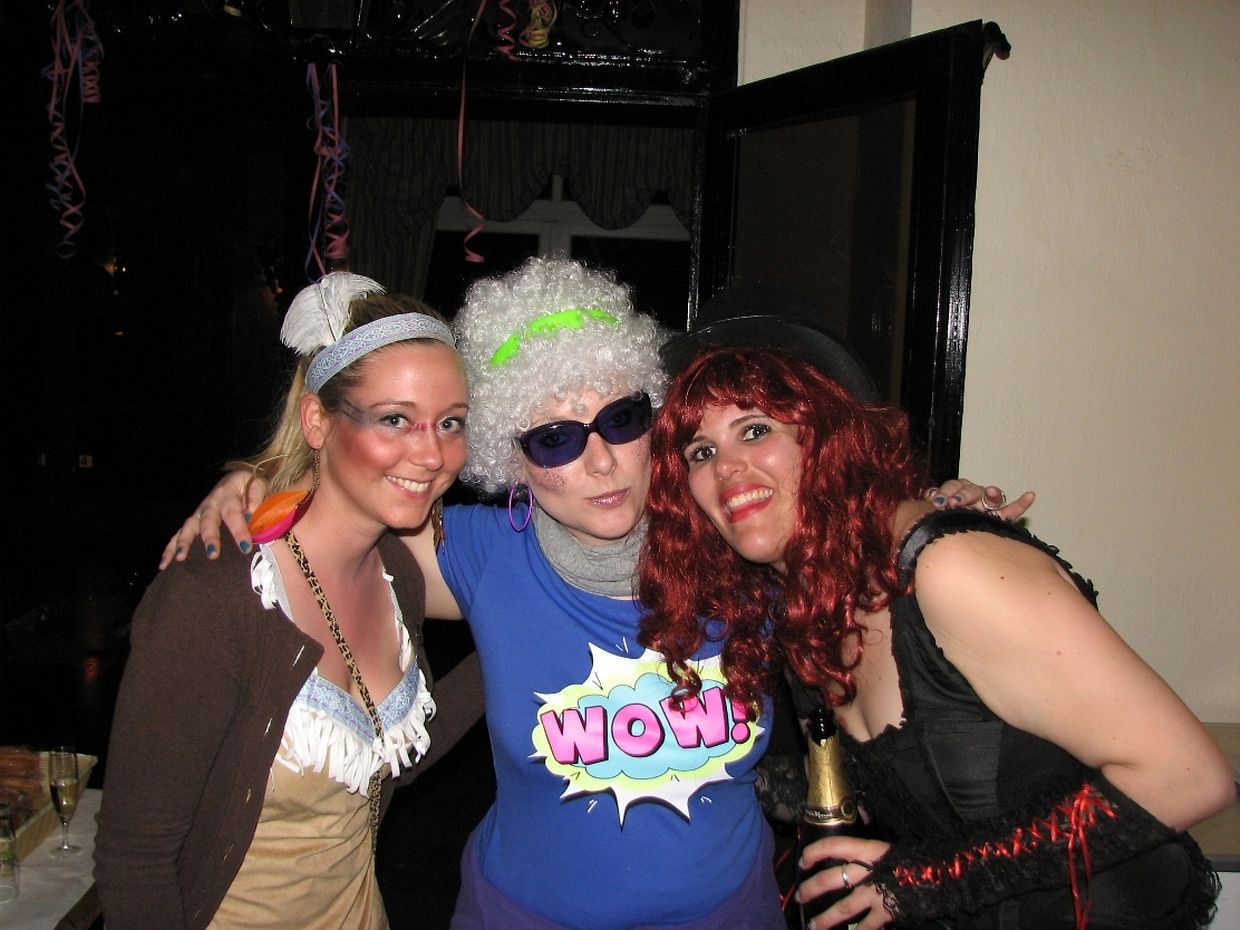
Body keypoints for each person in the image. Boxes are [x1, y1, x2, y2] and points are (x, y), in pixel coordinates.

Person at [164, 258, 1029, 929]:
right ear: (510, 458)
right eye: (554, 438)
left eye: (621, 418)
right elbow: (339, 516)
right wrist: (257, 486)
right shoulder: (479, 554)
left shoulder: (740, 545)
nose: (602, 460)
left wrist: (936, 507)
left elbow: (860, 524)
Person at [638, 336, 1235, 930]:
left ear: (823, 438)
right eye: (700, 451)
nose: (725, 468)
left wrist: (923, 882)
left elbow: (1189, 779)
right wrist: (679, 771)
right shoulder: (807, 597)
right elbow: (869, 784)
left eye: (755, 430)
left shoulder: (949, 568)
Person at [95, 272, 482, 930]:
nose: (432, 454)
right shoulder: (217, 599)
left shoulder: (397, 572)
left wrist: (510, 660)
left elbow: (385, 764)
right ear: (317, 420)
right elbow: (135, 860)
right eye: (395, 419)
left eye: (450, 423)